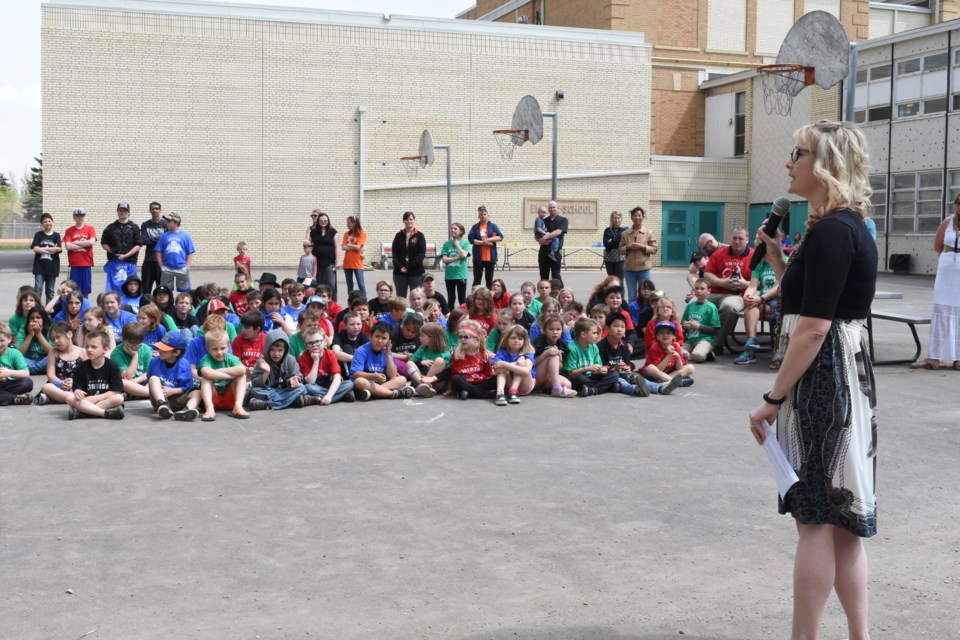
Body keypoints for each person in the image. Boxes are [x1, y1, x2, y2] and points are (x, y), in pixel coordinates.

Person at [748, 120, 878, 640]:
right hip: (847, 374)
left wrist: (772, 398)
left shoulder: (830, 232)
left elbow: (812, 328)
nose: (788, 162)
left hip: (822, 377)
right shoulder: (847, 227)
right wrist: (779, 262)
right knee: (843, 524)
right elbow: (810, 302)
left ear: (823, 165)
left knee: (814, 521)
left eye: (797, 153)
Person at [912, 195, 960, 370]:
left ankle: (958, 357)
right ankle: (935, 357)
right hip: (946, 267)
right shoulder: (948, 221)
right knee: (941, 310)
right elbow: (937, 245)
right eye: (959, 204)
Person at [703, 227, 753, 354]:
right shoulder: (719, 253)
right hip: (716, 292)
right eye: (734, 238)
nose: (737, 241)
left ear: (747, 240)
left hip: (738, 295)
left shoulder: (753, 256)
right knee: (695, 301)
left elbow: (760, 280)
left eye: (741, 239)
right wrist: (722, 282)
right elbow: (707, 275)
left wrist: (745, 284)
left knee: (729, 307)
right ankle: (692, 340)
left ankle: (716, 343)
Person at [734, 255, 782, 366]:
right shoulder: (759, 263)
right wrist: (747, 297)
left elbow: (778, 286)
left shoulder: (782, 261)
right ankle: (751, 346)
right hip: (764, 301)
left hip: (779, 300)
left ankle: (777, 350)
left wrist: (761, 298)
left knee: (772, 309)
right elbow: (752, 285)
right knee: (750, 305)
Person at [66, 330, 126, 420]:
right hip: (87, 401)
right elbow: (77, 387)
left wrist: (96, 398)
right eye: (87, 346)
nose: (89, 349)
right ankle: (104, 413)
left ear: (105, 349)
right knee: (69, 398)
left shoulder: (112, 366)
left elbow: (116, 391)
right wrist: (77, 391)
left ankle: (82, 412)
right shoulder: (81, 367)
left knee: (118, 398)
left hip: (104, 401)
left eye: (94, 347)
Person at [350, 321, 413, 401]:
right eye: (377, 336)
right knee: (359, 381)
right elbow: (356, 374)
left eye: (384, 338)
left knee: (402, 379)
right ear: (370, 336)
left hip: (380, 384)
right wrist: (374, 376)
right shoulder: (361, 350)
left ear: (388, 341)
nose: (379, 340)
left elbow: (393, 375)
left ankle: (373, 393)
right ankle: (394, 394)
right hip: (366, 382)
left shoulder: (387, 352)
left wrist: (387, 356)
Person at [248, 329, 308, 411]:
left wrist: (294, 378)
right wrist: (266, 372)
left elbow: (297, 374)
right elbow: (255, 383)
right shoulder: (262, 361)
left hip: (285, 390)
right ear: (267, 348)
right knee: (255, 392)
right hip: (269, 391)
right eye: (272, 350)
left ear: (285, 350)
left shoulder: (291, 359)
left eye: (280, 350)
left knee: (301, 388)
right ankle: (291, 401)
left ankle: (267, 404)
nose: (276, 354)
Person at [147, 331, 201, 421]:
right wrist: (160, 390)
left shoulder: (184, 364)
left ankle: (186, 410)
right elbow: (150, 380)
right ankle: (162, 406)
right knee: (153, 378)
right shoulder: (155, 361)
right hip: (161, 397)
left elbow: (187, 387)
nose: (159, 350)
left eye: (164, 349)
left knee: (198, 392)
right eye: (160, 347)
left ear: (176, 352)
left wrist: (172, 391)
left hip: (178, 398)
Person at [198, 328, 249, 421]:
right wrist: (230, 376)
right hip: (214, 397)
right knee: (205, 378)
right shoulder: (206, 359)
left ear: (228, 347)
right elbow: (207, 372)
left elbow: (242, 369)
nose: (219, 352)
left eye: (222, 348)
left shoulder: (231, 358)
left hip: (229, 398)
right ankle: (209, 409)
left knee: (242, 376)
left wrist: (218, 371)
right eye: (215, 349)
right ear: (208, 349)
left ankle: (238, 406)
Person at [563, 317, 620, 397]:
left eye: (597, 333)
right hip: (581, 378)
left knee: (614, 374)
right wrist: (587, 368)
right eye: (594, 333)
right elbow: (571, 374)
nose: (597, 336)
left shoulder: (594, 347)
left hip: (592, 377)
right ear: (583, 334)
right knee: (579, 378)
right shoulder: (572, 348)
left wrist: (602, 370)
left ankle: (592, 390)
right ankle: (606, 387)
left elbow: (598, 366)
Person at [298, 326, 354, 405]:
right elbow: (310, 382)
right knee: (307, 388)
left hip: (329, 385)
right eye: (310, 343)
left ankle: (318, 399)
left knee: (349, 384)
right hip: (315, 386)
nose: (314, 345)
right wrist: (316, 361)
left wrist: (329, 396)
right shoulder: (303, 358)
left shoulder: (330, 354)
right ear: (306, 345)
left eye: (317, 341)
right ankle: (341, 396)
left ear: (325, 341)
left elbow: (337, 377)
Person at [35, 321, 84, 406]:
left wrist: (75, 382)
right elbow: (50, 375)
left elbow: (87, 374)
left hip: (77, 386)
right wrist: (60, 383)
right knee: (47, 387)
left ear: (69, 334)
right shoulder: (53, 352)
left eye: (58, 337)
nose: (56, 341)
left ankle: (62, 398)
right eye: (53, 339)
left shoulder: (82, 352)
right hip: (59, 386)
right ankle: (72, 398)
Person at [531, 313, 577, 398]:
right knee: (553, 354)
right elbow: (530, 363)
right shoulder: (538, 342)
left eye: (558, 329)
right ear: (544, 330)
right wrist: (545, 354)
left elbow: (560, 366)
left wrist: (559, 361)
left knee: (567, 384)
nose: (555, 332)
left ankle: (549, 389)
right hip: (535, 376)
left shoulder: (562, 345)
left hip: (549, 377)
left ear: (562, 330)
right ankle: (556, 388)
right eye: (551, 329)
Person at [450, 319, 497, 401]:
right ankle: (483, 394)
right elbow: (454, 373)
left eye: (466, 337)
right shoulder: (457, 354)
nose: (462, 339)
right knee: (456, 379)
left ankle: (467, 392)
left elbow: (487, 373)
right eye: (460, 337)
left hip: (480, 381)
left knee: (496, 379)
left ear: (476, 339)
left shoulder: (483, 353)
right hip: (464, 382)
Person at [619, 206, 658, 305]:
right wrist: (628, 247)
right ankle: (632, 318)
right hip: (629, 270)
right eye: (635, 216)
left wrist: (643, 247)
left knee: (646, 294)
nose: (637, 218)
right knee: (632, 296)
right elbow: (620, 250)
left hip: (644, 269)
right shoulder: (625, 234)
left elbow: (654, 249)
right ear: (631, 217)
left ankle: (645, 316)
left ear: (643, 217)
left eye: (639, 215)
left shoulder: (649, 232)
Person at [101, 202, 141, 292]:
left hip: (130, 262)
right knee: (113, 289)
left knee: (131, 288)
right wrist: (113, 252)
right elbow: (104, 243)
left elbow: (138, 244)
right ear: (117, 212)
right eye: (120, 210)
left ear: (128, 212)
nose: (122, 212)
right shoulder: (110, 227)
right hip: (114, 262)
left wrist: (126, 255)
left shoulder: (134, 227)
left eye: (124, 210)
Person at [491, 325, 535, 405]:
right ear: (507, 339)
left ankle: (513, 391)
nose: (516, 341)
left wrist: (504, 364)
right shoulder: (502, 352)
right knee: (502, 371)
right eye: (513, 338)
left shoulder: (527, 353)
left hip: (525, 385)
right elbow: (497, 369)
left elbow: (526, 371)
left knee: (522, 362)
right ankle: (500, 393)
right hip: (509, 382)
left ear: (524, 341)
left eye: (520, 339)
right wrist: (514, 364)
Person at [642, 320, 695, 387]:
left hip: (668, 373)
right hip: (654, 374)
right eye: (661, 333)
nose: (665, 335)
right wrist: (668, 355)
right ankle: (675, 382)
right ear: (657, 336)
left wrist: (678, 358)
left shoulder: (675, 346)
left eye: (668, 333)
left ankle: (666, 381)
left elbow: (679, 368)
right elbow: (659, 369)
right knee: (651, 368)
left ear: (674, 336)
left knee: (691, 368)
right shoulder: (655, 347)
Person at [681, 279, 721, 363]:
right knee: (677, 354)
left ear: (708, 291)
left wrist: (697, 326)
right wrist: (685, 326)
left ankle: (705, 352)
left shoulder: (711, 307)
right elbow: (683, 323)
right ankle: (700, 353)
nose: (699, 291)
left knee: (698, 356)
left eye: (702, 289)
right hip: (691, 340)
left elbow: (715, 330)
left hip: (705, 340)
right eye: (696, 288)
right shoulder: (690, 305)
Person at [111, 321, 153, 400]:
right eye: (132, 344)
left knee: (154, 379)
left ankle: (140, 394)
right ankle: (153, 393)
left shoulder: (146, 349)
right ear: (123, 340)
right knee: (123, 383)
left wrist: (135, 381)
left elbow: (148, 372)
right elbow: (127, 377)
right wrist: (135, 356)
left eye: (139, 344)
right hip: (128, 383)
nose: (135, 347)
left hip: (141, 381)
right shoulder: (116, 353)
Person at [155, 212, 195, 293]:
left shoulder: (185, 236)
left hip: (182, 268)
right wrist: (161, 266)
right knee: (166, 291)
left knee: (185, 292)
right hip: (167, 268)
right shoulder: (164, 236)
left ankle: (183, 304)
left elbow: (190, 252)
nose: (166, 223)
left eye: (169, 221)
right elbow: (158, 252)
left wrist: (187, 267)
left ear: (176, 222)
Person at [467, 206, 504, 289]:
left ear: (488, 215)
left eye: (484, 214)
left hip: (490, 258)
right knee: (477, 280)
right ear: (478, 216)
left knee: (489, 281)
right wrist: (483, 242)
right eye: (481, 214)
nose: (483, 216)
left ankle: (489, 298)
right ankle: (475, 297)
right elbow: (471, 239)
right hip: (478, 257)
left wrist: (489, 239)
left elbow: (500, 237)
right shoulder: (475, 227)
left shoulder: (493, 226)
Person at [63, 208, 97, 298]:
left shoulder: (90, 229)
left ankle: (84, 310)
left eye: (82, 215)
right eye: (78, 216)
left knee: (85, 291)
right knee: (72, 290)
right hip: (74, 265)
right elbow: (68, 246)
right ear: (74, 217)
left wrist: (75, 242)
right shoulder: (69, 230)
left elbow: (91, 242)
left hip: (86, 263)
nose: (80, 217)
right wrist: (85, 244)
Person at [391, 211, 426, 298]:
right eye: (406, 219)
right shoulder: (398, 235)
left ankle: (415, 312)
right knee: (400, 297)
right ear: (403, 221)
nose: (409, 221)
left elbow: (421, 255)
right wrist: (400, 267)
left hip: (416, 272)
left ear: (414, 220)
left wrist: (409, 267)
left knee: (416, 297)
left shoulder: (420, 236)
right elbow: (394, 253)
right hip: (400, 272)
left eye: (411, 219)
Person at [307, 210, 340, 302]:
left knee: (331, 283)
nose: (323, 222)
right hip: (317, 262)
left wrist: (337, 261)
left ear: (328, 221)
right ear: (318, 221)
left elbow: (337, 247)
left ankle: (333, 303)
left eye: (325, 220)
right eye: (321, 220)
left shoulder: (333, 232)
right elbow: (309, 243)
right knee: (319, 284)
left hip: (329, 262)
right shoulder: (314, 232)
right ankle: (319, 302)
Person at [0, 322, 35, 406]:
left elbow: (26, 373)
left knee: (27, 383)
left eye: (2, 341)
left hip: (9, 383)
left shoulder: (15, 353)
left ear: (9, 339)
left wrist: (9, 373)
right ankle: (15, 399)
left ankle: (5, 396)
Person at [31, 213, 62, 305]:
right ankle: (37, 309)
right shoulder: (38, 235)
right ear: (42, 224)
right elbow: (35, 249)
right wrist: (52, 250)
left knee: (50, 291)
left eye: (49, 221)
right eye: (45, 222)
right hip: (39, 267)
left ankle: (48, 312)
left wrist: (42, 249)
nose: (47, 223)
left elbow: (59, 249)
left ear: (53, 222)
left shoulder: (56, 235)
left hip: (52, 267)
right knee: (38, 289)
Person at [537, 201, 568, 284]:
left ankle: (559, 295)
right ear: (548, 209)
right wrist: (540, 240)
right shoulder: (543, 221)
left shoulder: (563, 220)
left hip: (555, 253)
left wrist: (546, 237)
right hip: (543, 251)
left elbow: (558, 232)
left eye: (554, 207)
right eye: (550, 207)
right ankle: (544, 295)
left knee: (556, 276)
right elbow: (537, 233)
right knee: (543, 276)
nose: (552, 209)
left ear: (557, 208)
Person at [442, 222, 471, 308]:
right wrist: (457, 258)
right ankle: (450, 317)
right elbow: (444, 260)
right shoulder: (447, 244)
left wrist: (457, 244)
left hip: (461, 275)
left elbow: (464, 255)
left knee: (462, 298)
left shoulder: (465, 243)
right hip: (449, 276)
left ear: (461, 231)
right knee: (451, 299)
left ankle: (463, 316)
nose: (452, 230)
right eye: (451, 228)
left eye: (455, 229)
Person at [140, 202, 166, 294]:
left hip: (162, 262)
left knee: (162, 289)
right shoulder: (145, 225)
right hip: (149, 261)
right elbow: (143, 240)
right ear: (150, 210)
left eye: (157, 208)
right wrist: (160, 241)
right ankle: (146, 308)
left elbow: (167, 242)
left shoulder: (165, 224)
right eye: (153, 209)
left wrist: (152, 240)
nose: (155, 210)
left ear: (160, 210)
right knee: (146, 289)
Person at [341, 215, 367, 298]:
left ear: (354, 223)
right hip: (347, 263)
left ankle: (364, 302)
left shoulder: (362, 233)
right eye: (347, 223)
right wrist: (354, 246)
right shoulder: (346, 234)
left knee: (361, 285)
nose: (347, 225)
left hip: (357, 263)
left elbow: (359, 247)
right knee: (350, 286)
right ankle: (351, 303)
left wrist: (349, 245)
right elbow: (342, 247)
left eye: (349, 223)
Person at [602, 210, 627, 281]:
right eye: (615, 218)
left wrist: (611, 240)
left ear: (621, 219)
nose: (616, 220)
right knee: (611, 281)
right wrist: (616, 241)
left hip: (620, 258)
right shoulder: (607, 230)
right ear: (612, 219)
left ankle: (620, 292)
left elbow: (622, 243)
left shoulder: (625, 230)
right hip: (609, 258)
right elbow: (605, 244)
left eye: (618, 218)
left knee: (619, 281)